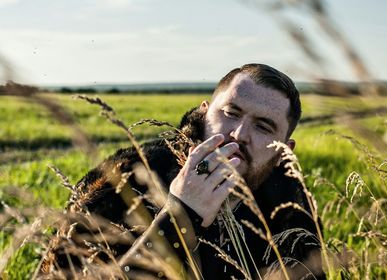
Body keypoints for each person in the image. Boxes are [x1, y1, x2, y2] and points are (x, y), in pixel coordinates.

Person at [41, 63, 324, 279]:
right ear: (204, 114)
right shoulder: (123, 180)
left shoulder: (291, 210)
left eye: (263, 126)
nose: (239, 134)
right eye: (231, 113)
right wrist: (179, 215)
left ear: (284, 148)